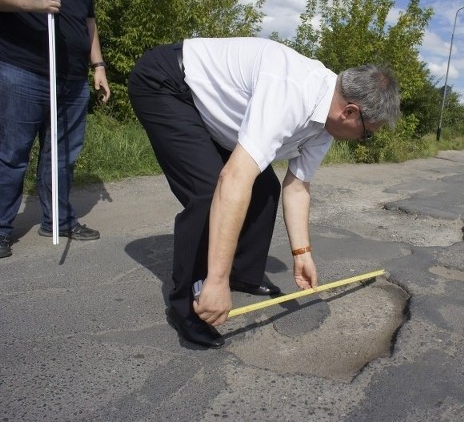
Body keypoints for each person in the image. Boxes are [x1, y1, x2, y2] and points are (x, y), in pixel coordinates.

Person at [128, 37, 400, 348]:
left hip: (209, 106)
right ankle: (192, 306)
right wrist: (216, 282)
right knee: (208, 193)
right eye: (367, 134)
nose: (361, 140)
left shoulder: (326, 124)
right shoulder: (292, 92)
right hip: (168, 84)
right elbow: (233, 180)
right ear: (349, 112)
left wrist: (302, 253)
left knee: (266, 187)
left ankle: (242, 274)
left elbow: (297, 187)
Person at [0, 0, 111, 259]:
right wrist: (29, 3)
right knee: (12, 154)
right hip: (22, 71)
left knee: (62, 157)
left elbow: (88, 23)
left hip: (73, 80)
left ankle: (57, 221)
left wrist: (98, 65)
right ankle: (1, 228)